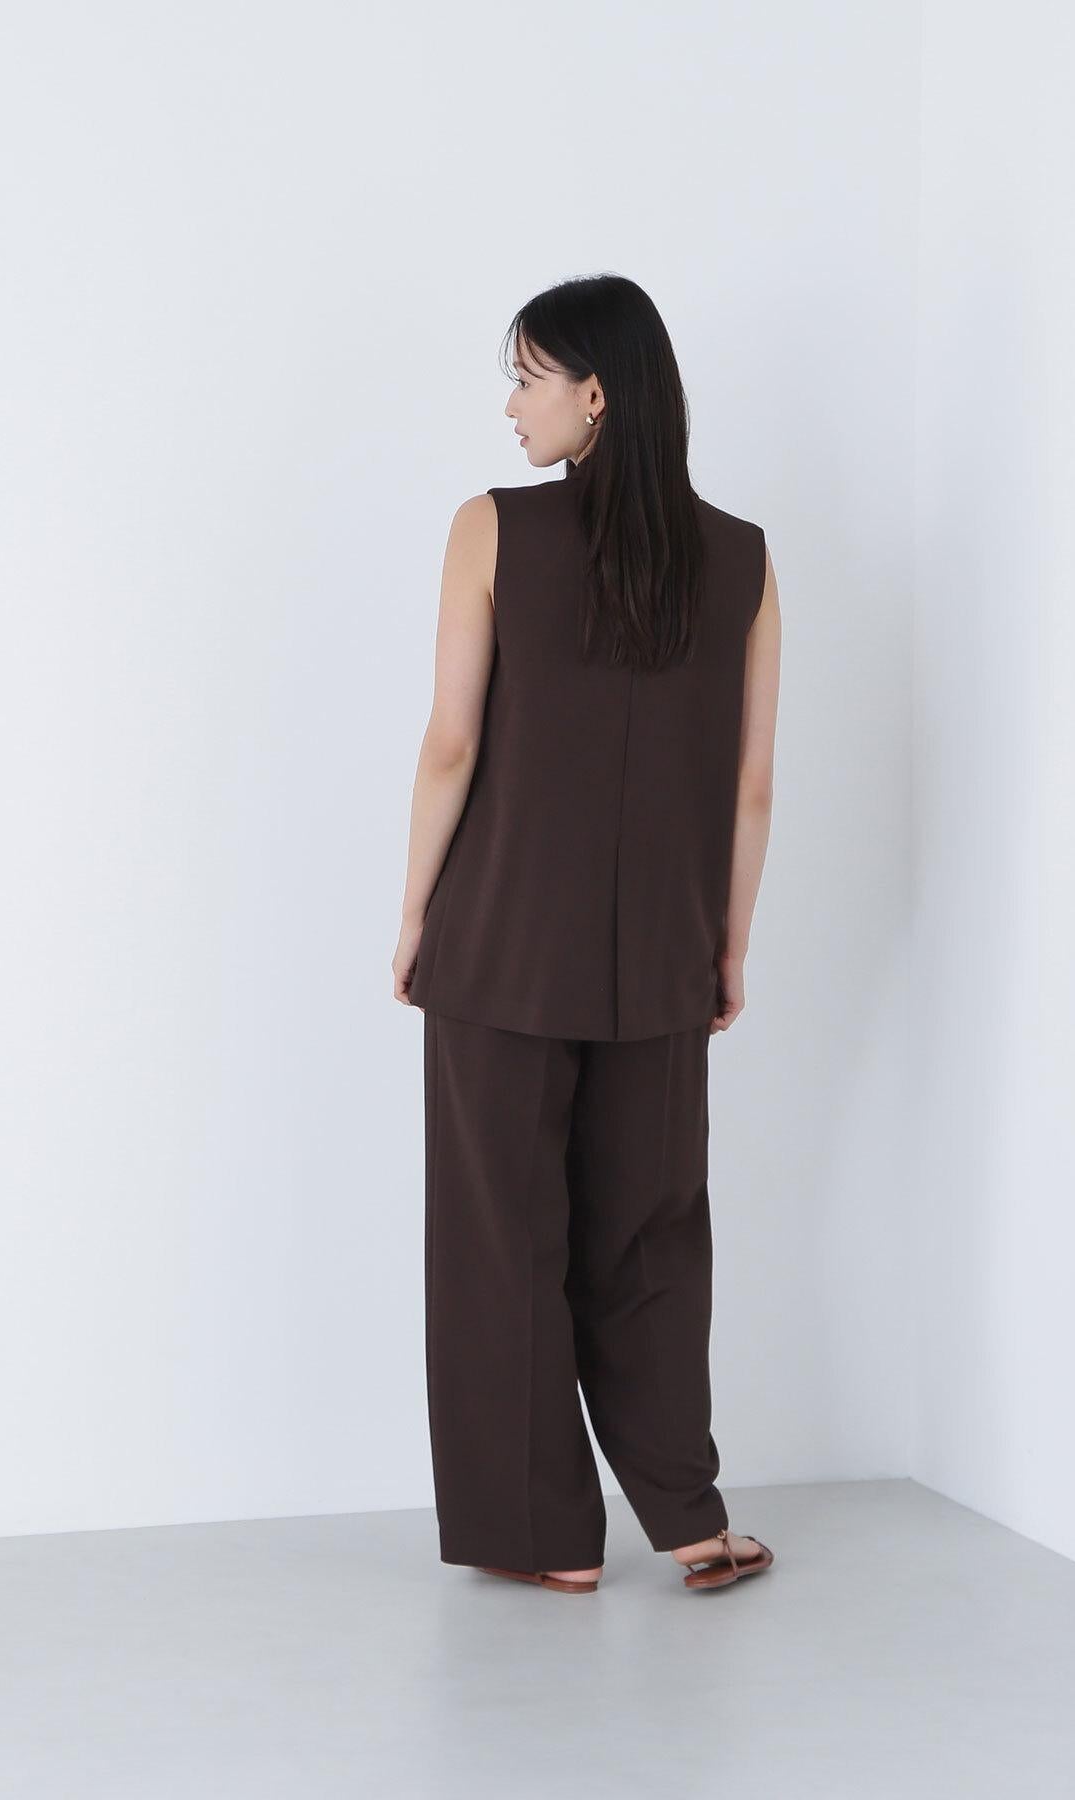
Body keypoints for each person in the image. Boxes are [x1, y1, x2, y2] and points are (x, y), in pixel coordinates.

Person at [392, 274, 781, 1595]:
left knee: (501, 1241)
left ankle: (544, 1543)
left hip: (501, 943)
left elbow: (451, 745)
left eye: (527, 377)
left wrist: (415, 911)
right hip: (662, 954)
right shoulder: (743, 559)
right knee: (651, 1239)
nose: (512, 407)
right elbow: (751, 785)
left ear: (596, 392)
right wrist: (728, 946)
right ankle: (689, 1519)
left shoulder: (492, 531)